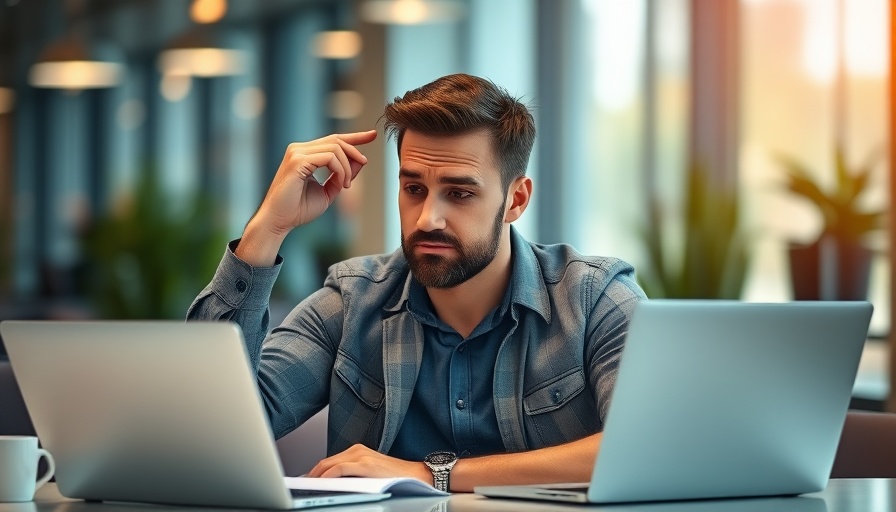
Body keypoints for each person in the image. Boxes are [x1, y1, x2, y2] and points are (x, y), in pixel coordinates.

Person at [188, 73, 647, 492]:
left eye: (460, 193)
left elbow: (642, 445)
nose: (428, 218)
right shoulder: (352, 301)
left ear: (516, 200)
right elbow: (207, 430)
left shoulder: (594, 300)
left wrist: (430, 475)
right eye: (413, 189)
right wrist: (267, 229)